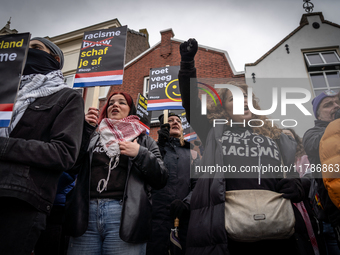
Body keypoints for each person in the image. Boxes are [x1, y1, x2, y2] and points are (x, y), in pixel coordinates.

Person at [178, 38, 304, 255]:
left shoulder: (276, 135)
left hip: (277, 222)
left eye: (245, 97)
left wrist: (300, 186)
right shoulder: (213, 129)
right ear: (223, 109)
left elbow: (304, 170)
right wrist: (187, 64)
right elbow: (190, 100)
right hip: (230, 225)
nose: (243, 101)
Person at [0, 37, 85, 255]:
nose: (28, 52)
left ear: (54, 58)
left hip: (20, 200)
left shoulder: (67, 97)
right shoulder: (6, 96)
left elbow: (64, 153)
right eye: (25, 49)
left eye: (36, 48)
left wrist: (6, 147)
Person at [65, 92, 168, 255]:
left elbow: (161, 177)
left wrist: (139, 153)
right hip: (86, 214)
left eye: (122, 102)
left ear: (130, 110)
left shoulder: (143, 140)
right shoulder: (93, 136)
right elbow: (71, 166)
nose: (115, 105)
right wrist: (84, 131)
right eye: (111, 102)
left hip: (124, 215)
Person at [146, 112, 199, 255]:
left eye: (178, 121)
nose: (175, 122)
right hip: (156, 221)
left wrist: (186, 203)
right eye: (170, 120)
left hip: (184, 220)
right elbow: (148, 174)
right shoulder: (153, 149)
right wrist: (161, 146)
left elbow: (198, 184)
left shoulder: (193, 154)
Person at [303, 90, 340, 254]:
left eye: (337, 102)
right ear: (318, 116)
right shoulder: (312, 134)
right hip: (334, 209)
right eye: (328, 105)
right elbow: (327, 143)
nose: (336, 106)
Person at [283, 128, 327, 255]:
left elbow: (310, 177)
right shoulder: (277, 160)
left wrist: (295, 185)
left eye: (290, 137)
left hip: (306, 205)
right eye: (283, 137)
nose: (287, 140)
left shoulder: (304, 158)